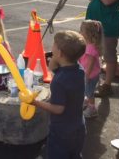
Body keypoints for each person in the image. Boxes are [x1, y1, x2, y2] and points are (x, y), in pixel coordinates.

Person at [32, 30, 86, 159]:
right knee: (75, 155)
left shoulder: (59, 81)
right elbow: (55, 68)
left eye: (54, 45)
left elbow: (58, 108)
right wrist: (55, 59)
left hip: (62, 131)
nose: (52, 46)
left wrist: (35, 103)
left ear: (60, 52)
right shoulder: (79, 69)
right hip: (79, 127)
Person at [79, 20, 103, 118]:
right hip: (90, 74)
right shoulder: (88, 46)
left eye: (82, 31)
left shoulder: (90, 49)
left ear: (88, 34)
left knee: (90, 93)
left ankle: (92, 109)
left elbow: (90, 65)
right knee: (88, 91)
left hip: (90, 75)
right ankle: (87, 101)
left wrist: (86, 76)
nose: (80, 32)